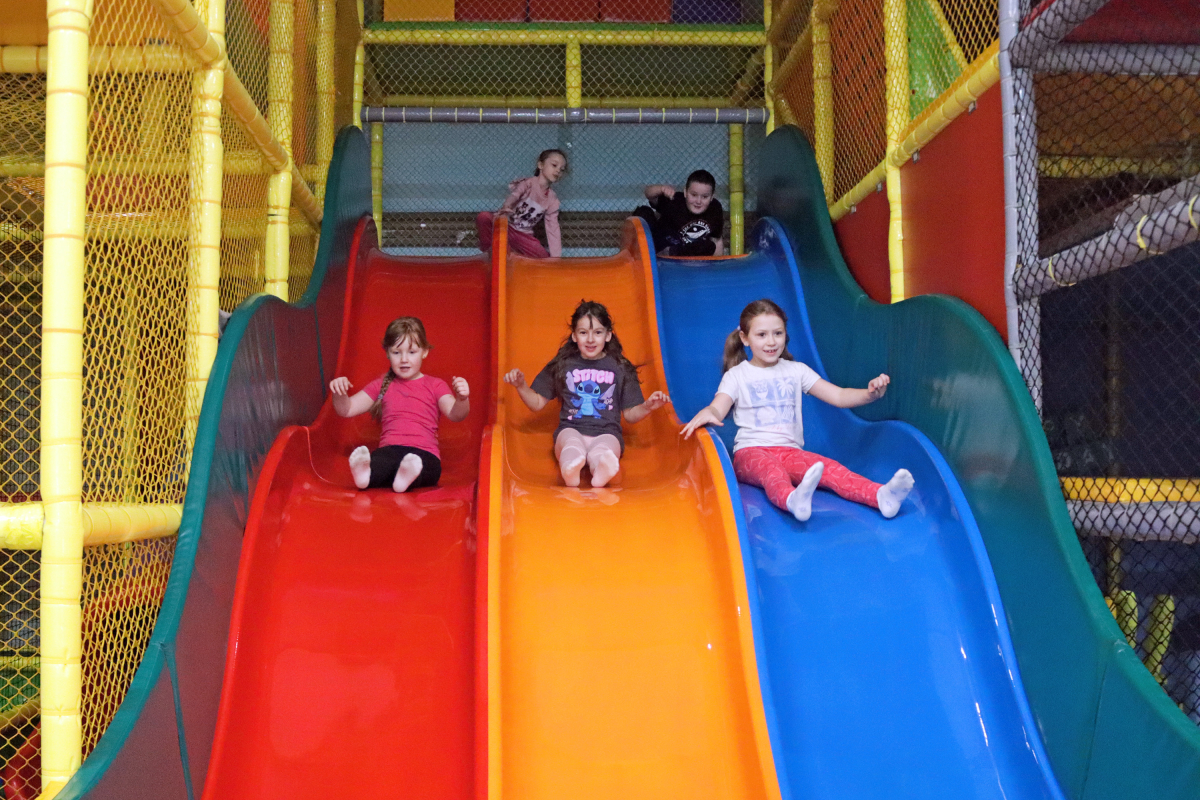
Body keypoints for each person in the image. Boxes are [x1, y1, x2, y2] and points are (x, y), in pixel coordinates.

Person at [680, 299, 914, 521]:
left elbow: (839, 396)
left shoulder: (796, 370)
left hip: (790, 452)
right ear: (745, 338)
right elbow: (719, 406)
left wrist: (870, 394)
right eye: (761, 335)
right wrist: (710, 412)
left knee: (830, 469)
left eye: (778, 333)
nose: (771, 342)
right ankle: (792, 500)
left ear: (785, 334)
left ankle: (881, 496)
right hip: (750, 453)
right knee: (772, 471)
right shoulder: (737, 375)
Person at [504, 300, 670, 488]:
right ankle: (570, 470)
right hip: (571, 428)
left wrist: (647, 406)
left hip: (607, 432)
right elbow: (536, 403)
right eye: (583, 333)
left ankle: (600, 472)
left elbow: (631, 415)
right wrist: (521, 386)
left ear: (608, 335)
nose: (590, 339)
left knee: (606, 448)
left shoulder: (621, 367)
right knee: (570, 443)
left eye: (598, 332)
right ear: (574, 336)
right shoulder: (563, 364)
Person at [329, 317, 470, 493]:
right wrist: (339, 393)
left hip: (424, 453)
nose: (404, 359)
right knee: (381, 461)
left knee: (427, 467)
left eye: (412, 352)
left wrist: (462, 399)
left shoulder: (435, 385)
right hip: (390, 450)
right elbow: (347, 409)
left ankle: (406, 476)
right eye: (396, 352)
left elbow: (456, 414)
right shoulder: (381, 385)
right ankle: (366, 477)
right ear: (387, 353)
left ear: (424, 352)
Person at [476, 149, 567, 258]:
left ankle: (512, 252)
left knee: (543, 257)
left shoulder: (552, 200)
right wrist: (507, 206)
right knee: (484, 217)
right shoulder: (528, 184)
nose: (558, 170)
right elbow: (515, 195)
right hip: (506, 227)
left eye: (561, 169)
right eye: (554, 165)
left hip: (523, 236)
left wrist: (556, 257)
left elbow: (553, 229)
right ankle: (489, 251)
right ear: (541, 165)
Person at [634, 169, 725, 257]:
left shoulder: (715, 209)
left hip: (686, 253)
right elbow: (649, 194)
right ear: (685, 192)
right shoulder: (675, 201)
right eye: (694, 195)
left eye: (704, 197)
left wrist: (718, 264)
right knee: (643, 212)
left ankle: (675, 254)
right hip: (661, 246)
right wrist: (661, 189)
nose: (698, 201)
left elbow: (717, 240)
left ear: (712, 197)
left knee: (708, 245)